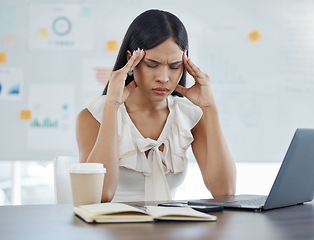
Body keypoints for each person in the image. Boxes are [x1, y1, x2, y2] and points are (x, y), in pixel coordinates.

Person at [76, 9, 236, 202]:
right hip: (111, 230)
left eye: (175, 66)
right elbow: (100, 195)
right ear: (131, 60)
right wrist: (111, 106)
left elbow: (225, 191)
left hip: (168, 229)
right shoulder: (92, 117)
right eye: (152, 64)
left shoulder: (189, 117)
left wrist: (210, 110)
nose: (163, 78)